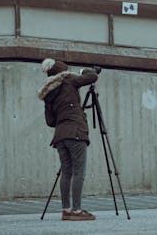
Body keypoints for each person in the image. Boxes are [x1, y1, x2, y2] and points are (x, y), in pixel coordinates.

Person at [37, 58, 99, 221]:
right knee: (79, 171)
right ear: (63, 72)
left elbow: (50, 121)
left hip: (60, 135)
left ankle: (66, 210)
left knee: (67, 172)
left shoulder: (48, 92)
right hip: (76, 132)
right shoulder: (69, 80)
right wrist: (81, 72)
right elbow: (93, 76)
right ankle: (77, 211)